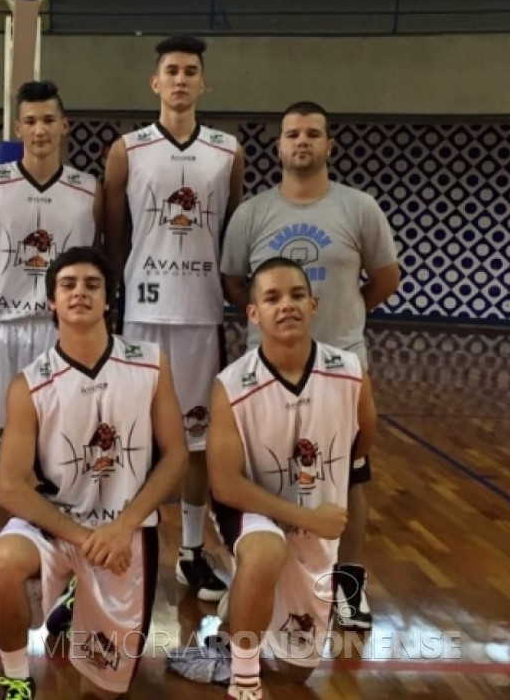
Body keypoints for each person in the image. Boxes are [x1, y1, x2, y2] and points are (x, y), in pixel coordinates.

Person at [220, 100, 399, 629]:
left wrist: (344, 318)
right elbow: (234, 282)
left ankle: (348, 586)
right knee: (269, 473)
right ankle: (261, 570)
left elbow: (385, 277)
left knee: (348, 477)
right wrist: (275, 325)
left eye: (313, 134)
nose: (302, 142)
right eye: (293, 134)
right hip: (267, 369)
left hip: (341, 365)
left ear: (328, 146)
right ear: (279, 147)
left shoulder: (359, 208)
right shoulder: (252, 212)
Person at [0, 246, 189, 700]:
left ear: (108, 299)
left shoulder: (151, 363)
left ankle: (76, 601)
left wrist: (124, 526)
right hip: (57, 526)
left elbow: (176, 456)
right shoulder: (29, 383)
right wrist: (85, 538)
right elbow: (11, 487)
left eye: (92, 285)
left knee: (104, 693)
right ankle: (17, 677)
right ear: (51, 301)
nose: (80, 293)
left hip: (127, 530)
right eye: (68, 285)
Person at [168, 257, 376, 700]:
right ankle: (244, 680)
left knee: (297, 669)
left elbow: (362, 443)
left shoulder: (351, 372)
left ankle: (234, 617)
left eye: (297, 295)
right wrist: (304, 515)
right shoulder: (231, 384)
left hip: (316, 527)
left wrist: (319, 505)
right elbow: (224, 486)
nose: (287, 305)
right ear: (253, 313)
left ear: (314, 304)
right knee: (266, 549)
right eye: (272, 297)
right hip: (251, 510)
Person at [103, 34, 244, 600]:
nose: (181, 80)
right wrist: (124, 283)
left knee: (196, 440)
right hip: (142, 309)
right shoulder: (128, 149)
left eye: (190, 71)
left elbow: (230, 229)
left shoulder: (228, 150)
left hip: (200, 310)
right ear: (155, 83)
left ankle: (189, 551)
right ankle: (124, 538)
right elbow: (113, 232)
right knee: (130, 433)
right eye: (171, 71)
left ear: (202, 83)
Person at [0, 80, 102, 555]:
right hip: (5, 329)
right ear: (18, 127)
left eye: (48, 120)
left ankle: (64, 546)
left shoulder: (87, 189)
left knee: (70, 441)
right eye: (31, 121)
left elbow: (97, 263)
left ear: (65, 125)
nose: (40, 130)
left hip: (65, 331)